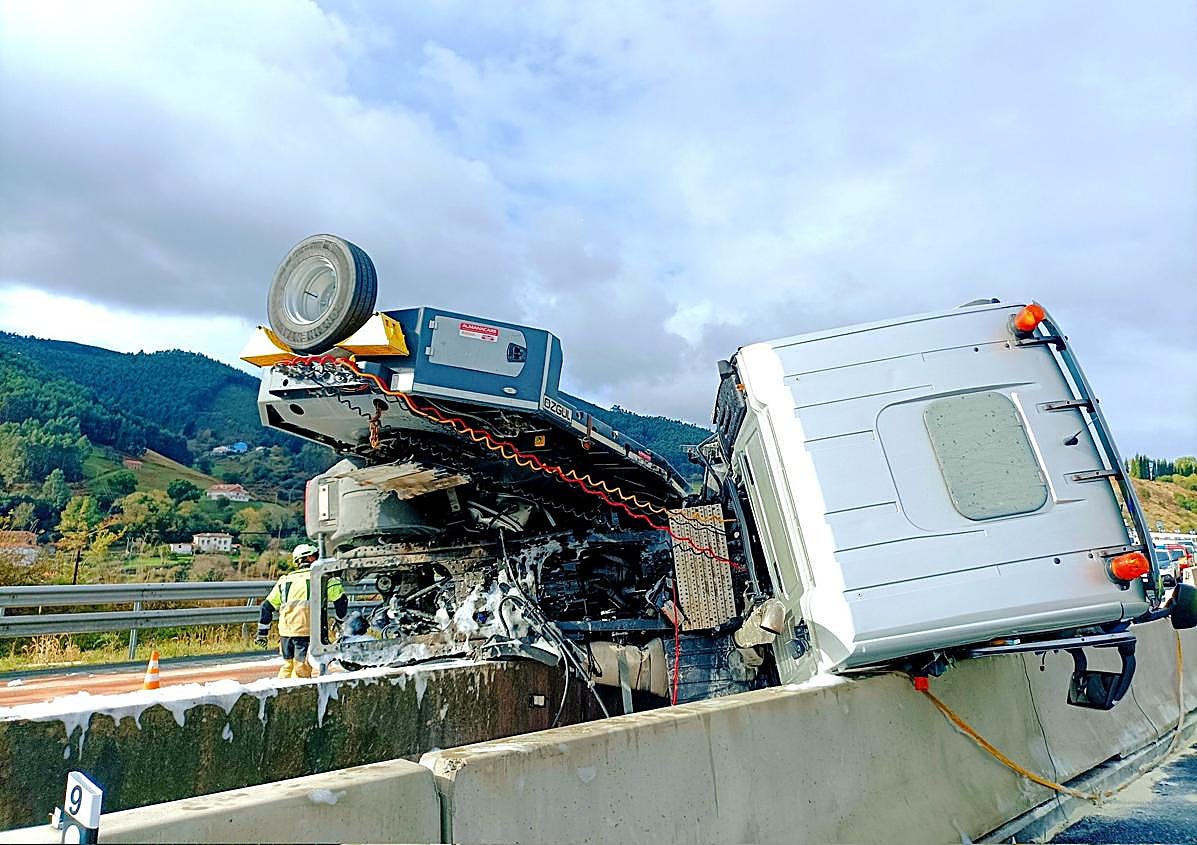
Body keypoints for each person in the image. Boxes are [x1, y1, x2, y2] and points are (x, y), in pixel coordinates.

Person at [256, 543, 347, 678]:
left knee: (288, 666)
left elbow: (266, 607)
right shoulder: (324, 578)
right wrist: (340, 620)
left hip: (286, 633)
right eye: (316, 556)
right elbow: (341, 601)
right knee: (301, 669)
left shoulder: (284, 580)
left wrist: (262, 633)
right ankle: (295, 696)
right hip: (307, 632)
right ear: (310, 558)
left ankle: (281, 693)